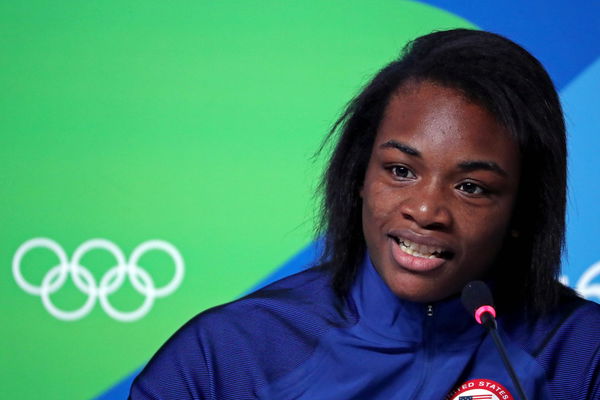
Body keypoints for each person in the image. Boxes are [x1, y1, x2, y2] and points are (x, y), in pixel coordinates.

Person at [129, 29, 600, 399]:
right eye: (400, 170)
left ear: (523, 209)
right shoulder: (229, 356)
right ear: (359, 175)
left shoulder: (582, 356)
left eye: (471, 187)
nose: (424, 210)